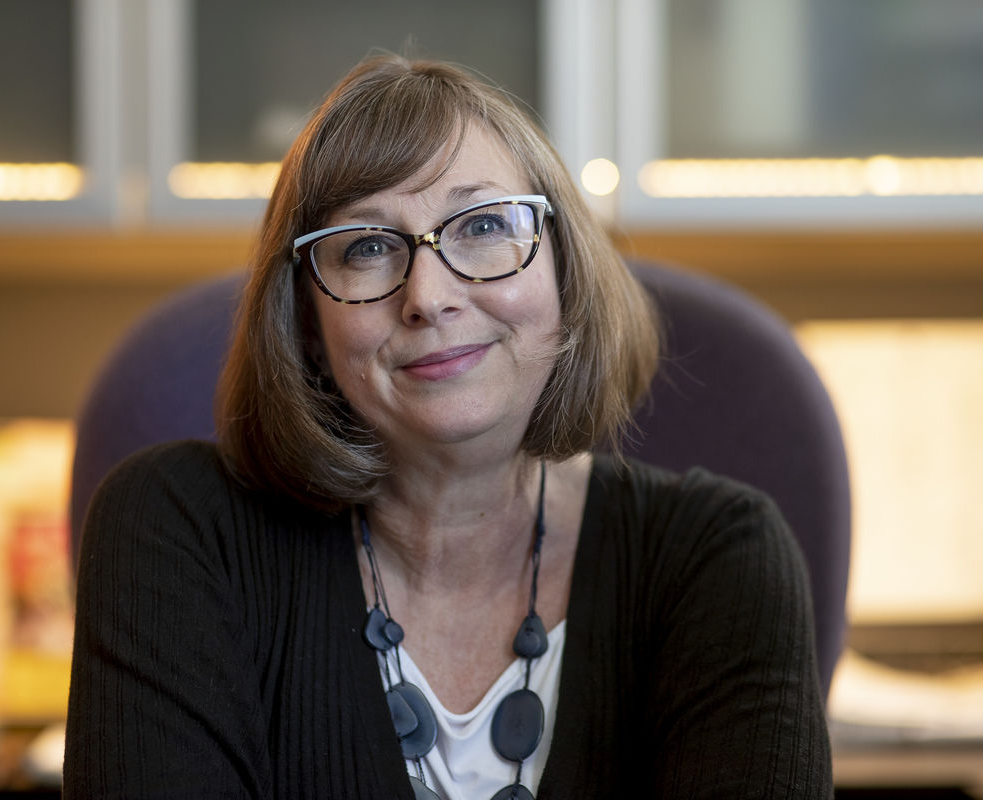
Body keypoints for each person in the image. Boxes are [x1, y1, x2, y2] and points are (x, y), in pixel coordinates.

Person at [64, 55, 832, 799]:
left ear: (563, 269)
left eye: (483, 225)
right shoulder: (177, 532)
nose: (428, 296)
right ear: (305, 318)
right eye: (366, 247)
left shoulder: (721, 559)